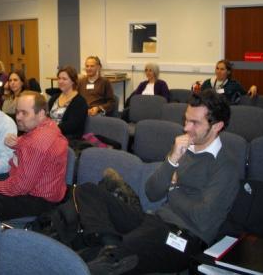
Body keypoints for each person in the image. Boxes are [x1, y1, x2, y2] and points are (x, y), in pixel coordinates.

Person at [59, 89, 239, 274]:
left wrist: (173, 187)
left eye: (195, 123)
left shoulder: (226, 166)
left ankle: (109, 253)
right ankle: (108, 244)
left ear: (217, 126)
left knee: (122, 254)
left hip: (183, 239)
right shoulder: (184, 147)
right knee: (87, 191)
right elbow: (152, 192)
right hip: (153, 219)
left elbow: (202, 218)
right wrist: (172, 159)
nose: (186, 128)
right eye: (186, 119)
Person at [0, 91, 68, 221]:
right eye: (17, 112)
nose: (18, 117)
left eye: (24, 113)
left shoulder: (36, 143)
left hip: (39, 200)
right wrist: (17, 144)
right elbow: (30, 142)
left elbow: (21, 186)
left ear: (41, 114)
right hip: (49, 191)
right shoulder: (49, 126)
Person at [48, 66, 88, 140]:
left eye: (64, 79)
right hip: (51, 133)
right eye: (59, 78)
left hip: (68, 137)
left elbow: (72, 125)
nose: (60, 81)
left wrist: (50, 129)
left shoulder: (79, 102)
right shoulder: (54, 98)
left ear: (73, 81)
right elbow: (47, 117)